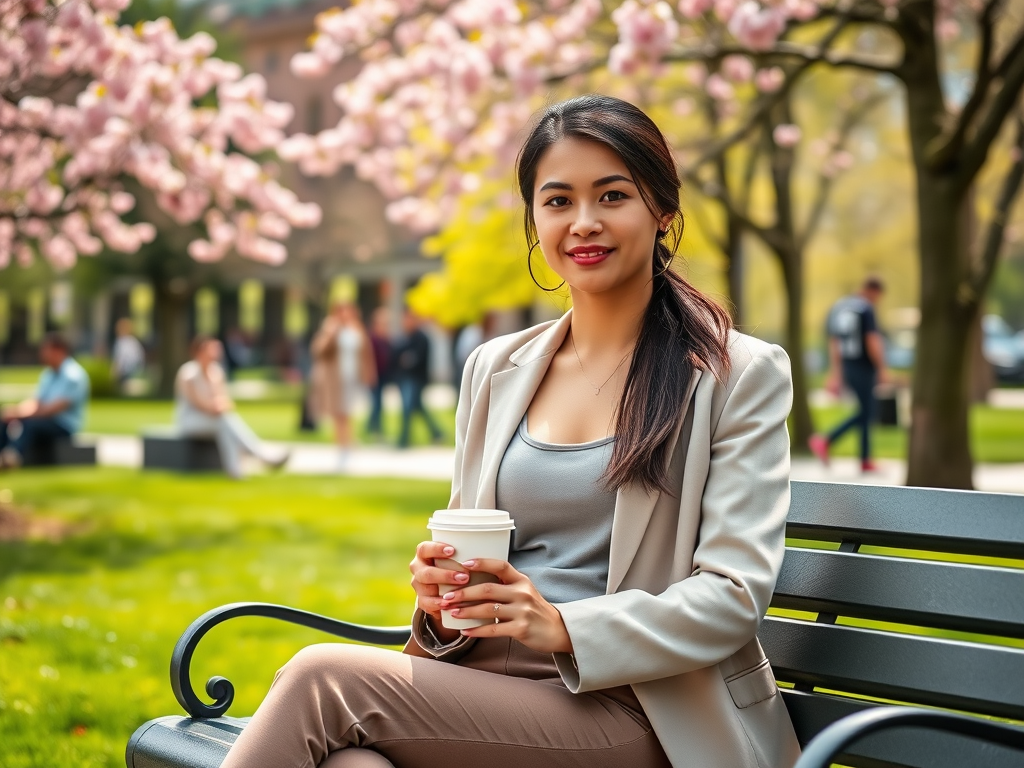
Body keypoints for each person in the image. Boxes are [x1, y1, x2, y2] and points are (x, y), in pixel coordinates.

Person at [219, 95, 799, 768]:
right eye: (557, 202)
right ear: (534, 219)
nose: (583, 223)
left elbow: (732, 597)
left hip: (639, 713)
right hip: (488, 691)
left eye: (612, 196)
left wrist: (560, 625)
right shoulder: (496, 368)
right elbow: (473, 551)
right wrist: (441, 605)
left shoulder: (735, 373)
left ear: (662, 210)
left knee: (322, 680)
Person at [175, 336, 289, 479]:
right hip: (191, 421)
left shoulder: (216, 372)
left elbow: (225, 399)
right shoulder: (188, 374)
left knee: (224, 424)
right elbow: (198, 403)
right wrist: (215, 407)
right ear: (200, 351)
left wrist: (219, 406)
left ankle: (236, 470)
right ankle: (260, 456)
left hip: (216, 419)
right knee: (224, 422)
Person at [809, 276, 889, 472]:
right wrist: (881, 368)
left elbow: (834, 342)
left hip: (848, 364)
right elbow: (871, 340)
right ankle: (826, 439)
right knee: (867, 412)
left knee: (865, 410)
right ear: (874, 291)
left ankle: (864, 459)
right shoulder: (866, 309)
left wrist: (836, 372)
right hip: (864, 365)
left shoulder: (840, 307)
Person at [0, 333, 90, 468]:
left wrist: (23, 415)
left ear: (59, 350)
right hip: (43, 419)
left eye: (46, 350)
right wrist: (15, 411)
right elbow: (36, 402)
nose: (42, 353)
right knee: (5, 418)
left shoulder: (74, 376)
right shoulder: (48, 374)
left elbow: (53, 409)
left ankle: (12, 458)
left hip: (63, 425)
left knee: (31, 424)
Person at [309, 302, 377, 469]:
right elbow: (318, 350)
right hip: (335, 380)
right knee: (339, 414)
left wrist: (370, 373)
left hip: (353, 378)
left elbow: (366, 353)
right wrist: (331, 334)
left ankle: (348, 445)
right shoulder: (331, 327)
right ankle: (343, 447)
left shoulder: (356, 328)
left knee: (348, 413)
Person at [393, 309, 443, 448]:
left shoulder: (421, 338)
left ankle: (403, 440)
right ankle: (437, 433)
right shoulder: (404, 337)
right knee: (417, 408)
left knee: (407, 408)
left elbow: (416, 359)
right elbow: (397, 356)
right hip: (405, 379)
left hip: (415, 380)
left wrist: (407, 359)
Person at [365, 306, 393, 441]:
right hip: (374, 376)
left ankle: (372, 428)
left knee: (378, 404)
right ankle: (374, 429)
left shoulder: (384, 337)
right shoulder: (372, 338)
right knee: (376, 404)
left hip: (383, 376)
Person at [111, 318, 146, 393]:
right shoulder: (134, 341)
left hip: (126, 372)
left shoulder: (121, 342)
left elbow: (120, 359)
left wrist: (115, 371)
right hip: (135, 371)